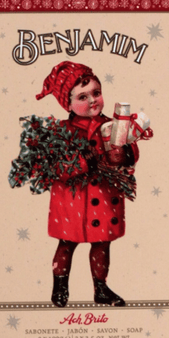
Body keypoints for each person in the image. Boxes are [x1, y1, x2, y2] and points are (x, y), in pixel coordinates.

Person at [35, 61, 139, 308]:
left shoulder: (114, 126)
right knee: (66, 244)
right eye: (83, 97)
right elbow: (56, 167)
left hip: (103, 198)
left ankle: (100, 288)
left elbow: (130, 149)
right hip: (72, 202)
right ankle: (60, 286)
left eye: (96, 93)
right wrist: (83, 162)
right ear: (68, 104)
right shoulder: (61, 132)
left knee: (102, 244)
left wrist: (126, 154)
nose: (93, 100)